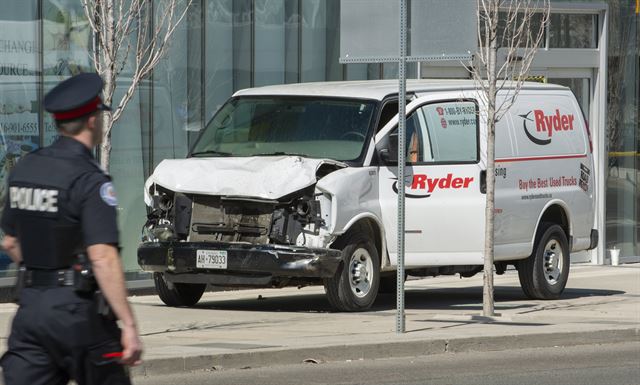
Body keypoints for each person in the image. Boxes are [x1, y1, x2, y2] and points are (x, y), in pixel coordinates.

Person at [0, 73, 142, 384]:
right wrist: (128, 325)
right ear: (93, 120)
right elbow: (103, 257)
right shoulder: (89, 180)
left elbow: (10, 241)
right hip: (79, 315)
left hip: (31, 311)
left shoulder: (25, 168)